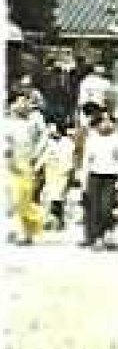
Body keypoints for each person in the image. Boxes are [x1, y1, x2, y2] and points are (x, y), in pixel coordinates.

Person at [6, 94, 48, 244]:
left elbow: (43, 138)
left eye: (26, 102)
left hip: (26, 163)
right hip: (9, 164)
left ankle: (28, 231)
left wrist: (36, 157)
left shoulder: (32, 122)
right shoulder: (6, 123)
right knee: (12, 200)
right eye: (20, 102)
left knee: (23, 198)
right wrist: (9, 159)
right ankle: (18, 230)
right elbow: (6, 144)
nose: (24, 105)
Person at [81, 112, 118, 248]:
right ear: (97, 124)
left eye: (109, 121)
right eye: (103, 121)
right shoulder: (92, 139)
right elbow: (87, 161)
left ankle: (106, 232)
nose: (106, 124)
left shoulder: (117, 139)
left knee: (106, 208)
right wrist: (83, 181)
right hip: (94, 176)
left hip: (111, 177)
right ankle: (97, 237)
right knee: (95, 209)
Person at [42, 122, 76, 229]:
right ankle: (50, 220)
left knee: (58, 197)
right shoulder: (50, 142)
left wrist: (68, 170)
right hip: (51, 171)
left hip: (62, 172)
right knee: (50, 197)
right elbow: (45, 156)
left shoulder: (68, 143)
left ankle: (59, 221)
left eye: (54, 130)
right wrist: (36, 168)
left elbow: (70, 158)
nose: (52, 132)